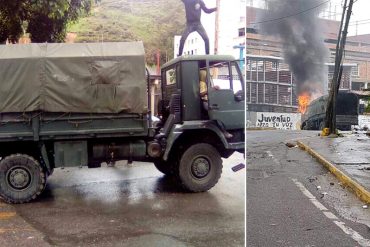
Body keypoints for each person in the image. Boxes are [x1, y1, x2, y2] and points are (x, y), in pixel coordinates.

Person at [199, 70, 233, 139]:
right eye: (206, 75)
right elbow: (201, 94)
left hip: (206, 101)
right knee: (217, 114)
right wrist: (212, 89)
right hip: (204, 102)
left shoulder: (204, 83)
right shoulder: (201, 83)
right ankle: (224, 131)